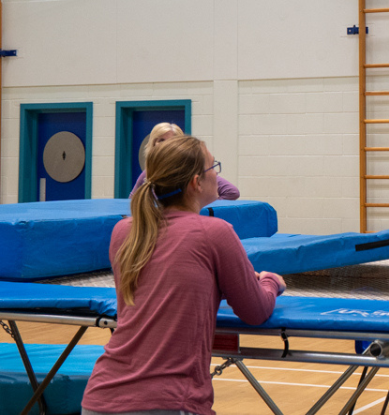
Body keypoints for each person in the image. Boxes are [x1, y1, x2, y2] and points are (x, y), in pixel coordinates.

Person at [82, 135, 285, 415]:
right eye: (213, 167)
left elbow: (170, 281)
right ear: (196, 182)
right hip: (167, 400)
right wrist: (271, 282)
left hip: (100, 398)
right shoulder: (215, 233)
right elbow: (256, 310)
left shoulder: (125, 231)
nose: (217, 174)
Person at [130, 122, 240, 200]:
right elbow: (132, 198)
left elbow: (231, 192)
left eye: (172, 141)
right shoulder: (148, 173)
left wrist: (204, 209)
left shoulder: (192, 170)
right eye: (161, 140)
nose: (166, 145)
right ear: (154, 144)